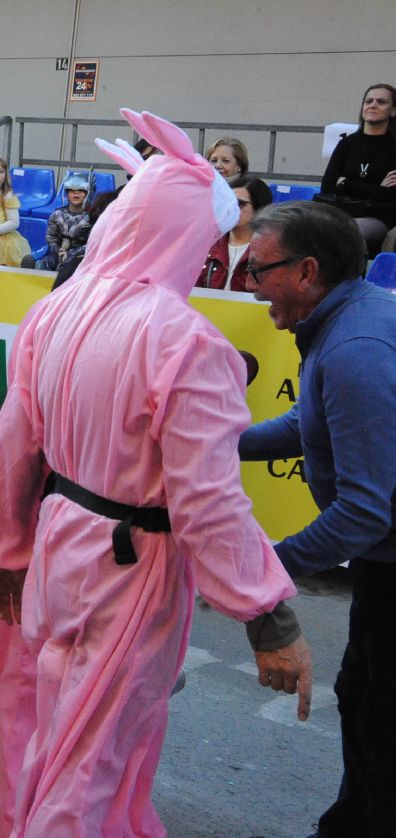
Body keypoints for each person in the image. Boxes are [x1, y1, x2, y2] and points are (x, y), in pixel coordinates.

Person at [0, 110, 313, 838]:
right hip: (132, 563)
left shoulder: (55, 310)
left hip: (61, 542)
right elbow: (209, 500)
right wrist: (267, 616)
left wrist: (4, 546)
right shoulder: (187, 342)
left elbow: (13, 444)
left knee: (59, 728)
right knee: (91, 756)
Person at [237, 200, 396, 838]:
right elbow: (310, 424)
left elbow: (362, 511)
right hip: (385, 568)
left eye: (258, 270)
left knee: (381, 720)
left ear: (306, 272)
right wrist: (212, 440)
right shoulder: (349, 321)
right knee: (362, 701)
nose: (249, 287)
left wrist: (261, 573)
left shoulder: (357, 347)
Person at [319, 82, 396, 255]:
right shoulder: (347, 143)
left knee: (348, 234)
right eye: (368, 101)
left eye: (381, 102)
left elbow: (390, 197)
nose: (373, 105)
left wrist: (347, 184)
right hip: (339, 211)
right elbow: (328, 187)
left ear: (393, 111)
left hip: (377, 218)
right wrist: (376, 189)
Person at [197, 175, 272, 290]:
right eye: (226, 202)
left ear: (260, 209)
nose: (230, 209)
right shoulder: (210, 244)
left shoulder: (268, 251)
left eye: (239, 203)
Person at [39, 172, 90, 270]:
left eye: (81, 190)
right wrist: (60, 251)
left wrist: (71, 254)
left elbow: (92, 244)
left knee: (73, 266)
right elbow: (51, 237)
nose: (76, 193)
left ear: (88, 193)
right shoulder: (57, 215)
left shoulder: (93, 217)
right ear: (66, 193)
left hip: (81, 257)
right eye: (71, 190)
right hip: (59, 252)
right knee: (46, 263)